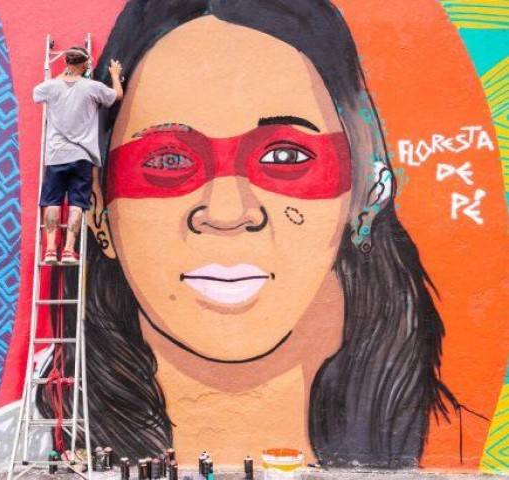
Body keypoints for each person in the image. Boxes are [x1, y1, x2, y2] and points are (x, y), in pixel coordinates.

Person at [36, 0, 487, 469]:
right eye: (168, 160)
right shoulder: (15, 448)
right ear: (98, 208)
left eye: (285, 157)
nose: (228, 212)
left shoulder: (458, 449)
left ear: (365, 190)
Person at [32, 47, 123, 263]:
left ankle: (50, 249)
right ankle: (68, 250)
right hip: (82, 155)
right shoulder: (92, 87)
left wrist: (62, 75)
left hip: (56, 155)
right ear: (85, 64)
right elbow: (116, 95)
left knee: (52, 201)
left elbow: (36, 94)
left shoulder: (51, 86)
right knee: (76, 202)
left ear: (67, 63)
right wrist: (114, 75)